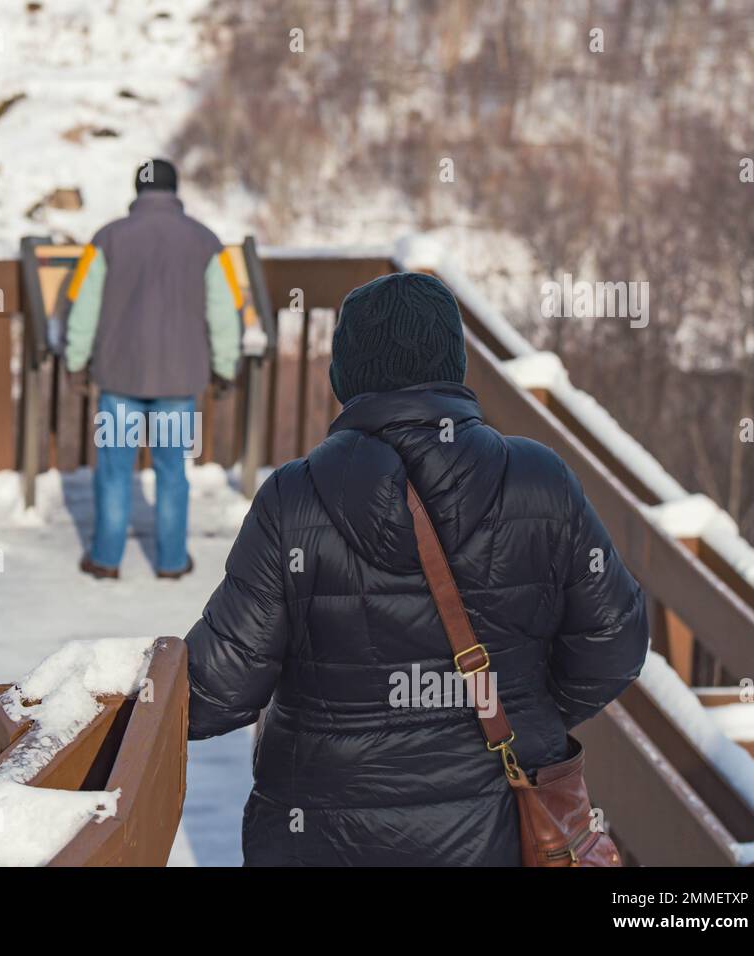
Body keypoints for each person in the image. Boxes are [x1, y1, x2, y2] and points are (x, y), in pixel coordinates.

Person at [184, 272, 650, 865]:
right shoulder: (540, 480)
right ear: (453, 365)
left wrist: (132, 695)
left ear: (346, 376)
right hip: (498, 831)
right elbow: (616, 641)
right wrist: (523, 705)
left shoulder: (293, 499)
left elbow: (220, 685)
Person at [64, 158, 242, 580]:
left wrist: (75, 361)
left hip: (118, 376)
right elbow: (224, 311)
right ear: (174, 190)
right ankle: (172, 561)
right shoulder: (206, 241)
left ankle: (106, 559)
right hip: (179, 382)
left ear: (137, 191)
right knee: (172, 471)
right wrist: (225, 367)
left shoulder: (106, 238)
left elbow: (82, 307)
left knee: (113, 470)